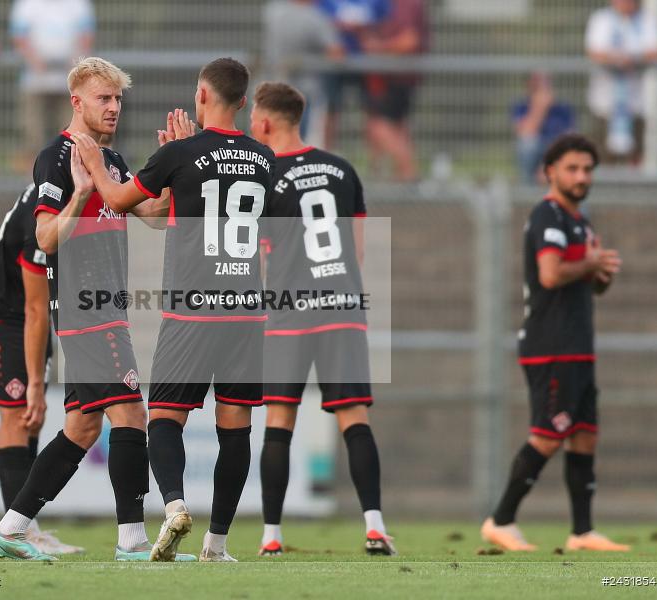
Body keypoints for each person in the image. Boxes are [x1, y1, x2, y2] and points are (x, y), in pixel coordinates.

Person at [0, 57, 194, 562]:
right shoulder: (57, 157)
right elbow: (45, 235)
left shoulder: (114, 161)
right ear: (77, 101)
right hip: (86, 308)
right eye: (104, 98)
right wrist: (79, 194)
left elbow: (153, 216)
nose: (114, 107)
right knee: (131, 413)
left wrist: (174, 162)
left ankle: (9, 529)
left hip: (106, 306)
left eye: (118, 99)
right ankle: (132, 542)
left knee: (82, 426)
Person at [72, 57, 277, 562]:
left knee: (163, 418)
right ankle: (218, 545)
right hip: (247, 312)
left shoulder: (182, 154)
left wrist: (97, 164)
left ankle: (175, 505)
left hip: (192, 311)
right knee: (237, 427)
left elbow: (121, 201)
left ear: (201, 96)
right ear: (244, 103)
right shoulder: (265, 158)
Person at [249, 82, 395, 557]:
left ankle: (271, 536)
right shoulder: (341, 168)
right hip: (341, 306)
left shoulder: (264, 175)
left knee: (279, 420)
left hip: (290, 310)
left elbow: (261, 254)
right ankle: (374, 526)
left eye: (254, 116)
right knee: (354, 418)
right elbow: (356, 248)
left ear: (266, 122)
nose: (252, 123)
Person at [481, 134, 629, 553]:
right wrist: (589, 263)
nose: (581, 177)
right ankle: (501, 520)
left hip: (578, 345)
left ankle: (582, 531)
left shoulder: (580, 220)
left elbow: (587, 282)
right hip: (552, 344)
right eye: (572, 169)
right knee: (548, 435)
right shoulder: (548, 215)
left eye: (587, 169)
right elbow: (549, 274)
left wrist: (601, 274)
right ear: (551, 172)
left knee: (584, 435)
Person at [0, 183, 80, 554]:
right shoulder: (43, 214)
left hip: (30, 314)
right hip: (3, 314)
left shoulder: (63, 185)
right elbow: (35, 308)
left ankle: (25, 526)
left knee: (31, 418)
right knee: (17, 416)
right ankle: (16, 532)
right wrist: (35, 383)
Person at [10, 0, 96, 163]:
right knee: (32, 135)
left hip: (70, 83)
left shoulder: (79, 5)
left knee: (73, 136)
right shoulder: (27, 5)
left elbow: (87, 36)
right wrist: (34, 60)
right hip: (34, 82)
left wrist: (76, 62)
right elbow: (19, 37)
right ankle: (33, 181)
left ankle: (67, 178)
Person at [585, 0, 657, 165]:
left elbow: (656, 51)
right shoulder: (601, 20)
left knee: (634, 158)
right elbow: (594, 52)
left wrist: (634, 59)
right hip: (605, 105)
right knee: (602, 158)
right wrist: (617, 60)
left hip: (635, 105)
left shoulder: (646, 20)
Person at [361, 0, 429, 181]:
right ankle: (402, 177)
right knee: (398, 127)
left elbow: (409, 41)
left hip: (397, 77)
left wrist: (378, 48)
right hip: (391, 77)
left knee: (378, 125)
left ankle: (409, 170)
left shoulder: (405, 5)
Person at [261, 0, 344, 140]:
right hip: (304, 90)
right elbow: (336, 53)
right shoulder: (315, 17)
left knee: (271, 137)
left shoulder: (273, 10)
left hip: (273, 85)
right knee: (297, 139)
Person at [317, 0, 389, 150]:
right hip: (335, 64)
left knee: (373, 113)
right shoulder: (327, 3)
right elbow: (318, 20)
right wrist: (339, 25)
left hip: (367, 63)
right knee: (331, 110)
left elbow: (387, 21)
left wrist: (365, 30)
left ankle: (376, 165)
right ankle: (326, 154)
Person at [512, 73, 575, 184]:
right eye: (538, 81)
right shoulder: (521, 106)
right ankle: (527, 188)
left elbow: (569, 136)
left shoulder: (562, 107)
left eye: (545, 81)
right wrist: (540, 107)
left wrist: (547, 163)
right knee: (527, 145)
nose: (542, 86)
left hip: (554, 149)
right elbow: (526, 133)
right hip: (535, 151)